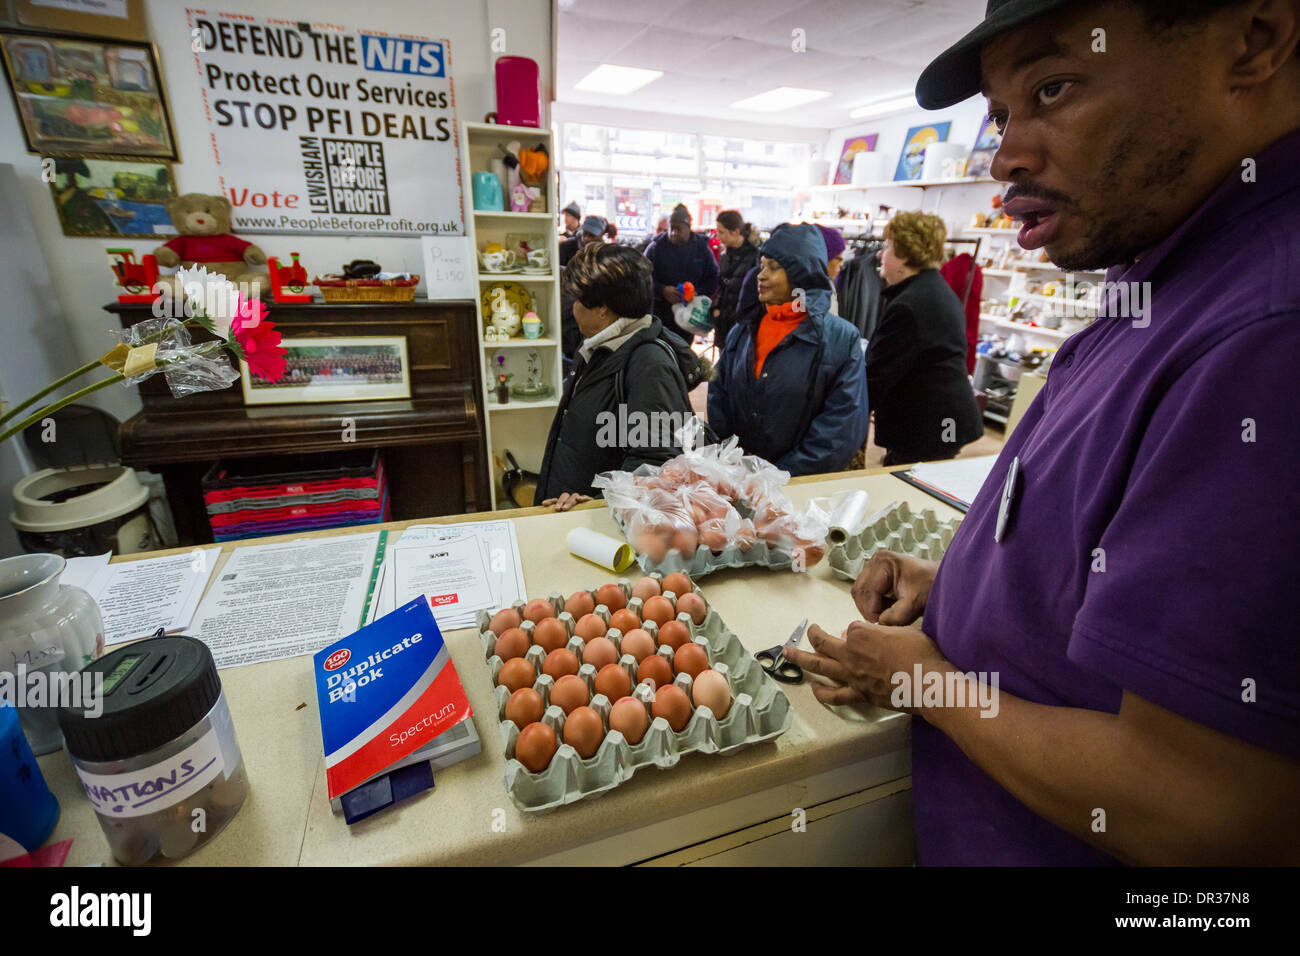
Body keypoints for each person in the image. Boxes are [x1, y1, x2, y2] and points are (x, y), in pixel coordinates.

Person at [783, 0, 1300, 866]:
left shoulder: (1262, 334)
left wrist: (921, 678)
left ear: (1253, 42)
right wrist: (965, 584)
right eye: (1000, 115)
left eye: (1053, 87)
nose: (1005, 155)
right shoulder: (1172, 271)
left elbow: (1202, 805)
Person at [536, 243, 694, 511]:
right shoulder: (599, 348)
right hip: (577, 518)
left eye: (578, 301)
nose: (573, 309)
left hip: (603, 531)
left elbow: (657, 464)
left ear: (603, 309)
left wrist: (598, 504)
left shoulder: (648, 366)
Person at [707, 222, 869, 476]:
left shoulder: (840, 339)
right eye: (762, 266)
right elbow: (719, 394)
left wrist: (780, 476)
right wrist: (732, 460)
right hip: (739, 479)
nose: (760, 275)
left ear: (800, 273)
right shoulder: (745, 330)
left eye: (773, 268)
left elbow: (840, 427)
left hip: (798, 489)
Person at [865, 211, 983, 465]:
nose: (879, 254)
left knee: (907, 488)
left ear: (905, 255)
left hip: (931, 425)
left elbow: (877, 376)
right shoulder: (933, 289)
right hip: (945, 419)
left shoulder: (910, 304)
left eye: (887, 247)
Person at [644, 203, 719, 343]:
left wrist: (697, 293)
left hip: (688, 316)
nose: (674, 233)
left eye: (679, 229)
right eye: (671, 229)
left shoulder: (702, 248)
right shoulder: (655, 247)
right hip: (660, 314)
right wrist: (662, 290)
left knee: (683, 352)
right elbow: (641, 279)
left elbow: (713, 277)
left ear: (689, 228)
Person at [559, 216, 609, 359]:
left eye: (591, 235)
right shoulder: (567, 247)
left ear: (601, 236)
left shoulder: (605, 254)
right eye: (584, 234)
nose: (586, 238)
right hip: (569, 308)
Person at [711, 210, 760, 354]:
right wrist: (716, 308)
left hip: (744, 328)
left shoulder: (756, 258)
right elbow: (721, 286)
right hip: (723, 325)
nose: (718, 237)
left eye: (721, 232)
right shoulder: (725, 256)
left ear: (736, 231)